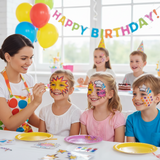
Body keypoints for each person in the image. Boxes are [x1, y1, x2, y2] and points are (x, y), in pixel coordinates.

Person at [0, 34, 46, 132]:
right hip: (4, 140)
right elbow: (10, 124)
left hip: (24, 136)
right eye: (24, 58)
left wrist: (52, 124)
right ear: (8, 57)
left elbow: (29, 116)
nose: (29, 63)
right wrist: (35, 102)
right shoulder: (1, 82)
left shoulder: (28, 79)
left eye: (31, 57)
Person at [80, 72, 125, 142]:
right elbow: (83, 143)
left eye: (98, 89)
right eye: (90, 89)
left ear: (110, 94)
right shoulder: (85, 116)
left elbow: (118, 146)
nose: (92, 93)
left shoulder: (117, 117)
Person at [39, 69, 81, 136]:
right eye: (53, 84)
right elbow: (41, 136)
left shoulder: (75, 112)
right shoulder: (44, 111)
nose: (56, 88)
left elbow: (72, 139)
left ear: (71, 90)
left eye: (61, 85)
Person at [125, 74, 160, 147]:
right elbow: (131, 148)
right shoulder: (131, 119)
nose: (136, 98)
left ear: (157, 98)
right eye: (134, 94)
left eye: (143, 94)